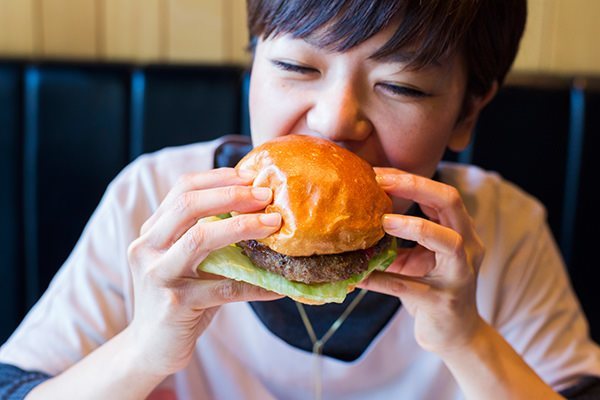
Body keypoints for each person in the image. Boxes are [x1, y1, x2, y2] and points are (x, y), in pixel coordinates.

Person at [1, 0, 600, 399]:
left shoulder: (505, 229)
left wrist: (468, 339)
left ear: (468, 111)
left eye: (401, 85)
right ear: (252, 68)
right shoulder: (153, 202)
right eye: (294, 64)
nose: (335, 121)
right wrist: (143, 350)